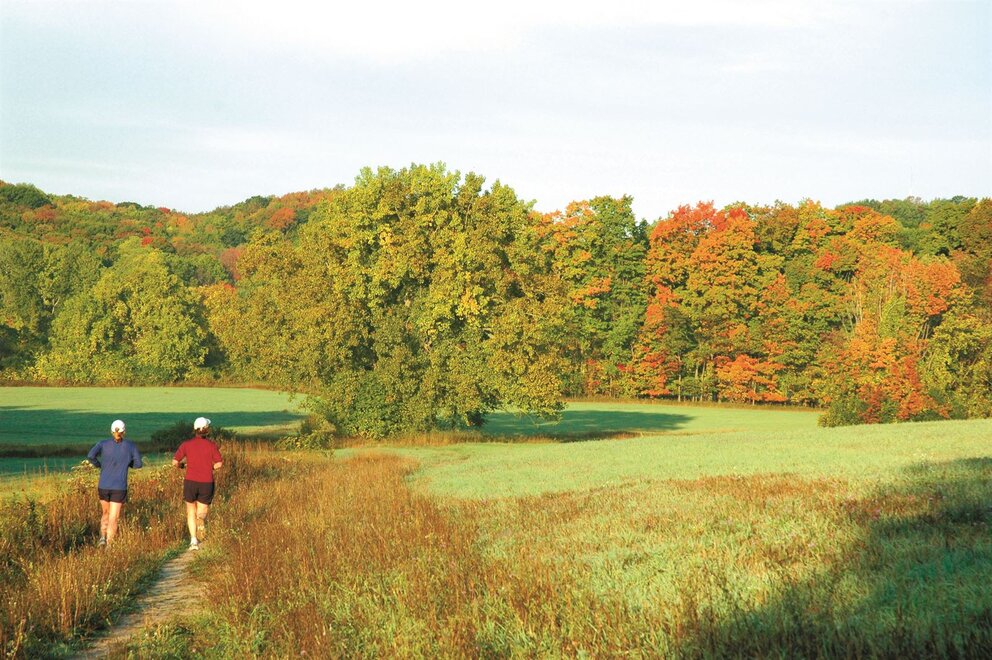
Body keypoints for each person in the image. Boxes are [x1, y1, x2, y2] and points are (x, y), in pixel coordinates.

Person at [86, 419, 143, 546]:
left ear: (111, 431)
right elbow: (138, 464)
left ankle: (102, 538)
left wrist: (99, 465)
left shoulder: (102, 444)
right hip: (119, 487)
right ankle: (110, 545)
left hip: (103, 486)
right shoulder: (130, 446)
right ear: (124, 431)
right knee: (114, 517)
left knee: (105, 513)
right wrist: (128, 463)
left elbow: (90, 456)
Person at [172, 417, 223, 550]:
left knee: (190, 511)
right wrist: (210, 468)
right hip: (206, 482)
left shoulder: (186, 444)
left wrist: (183, 466)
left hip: (190, 481)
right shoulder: (212, 445)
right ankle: (201, 519)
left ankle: (193, 540)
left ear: (194, 430)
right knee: (202, 510)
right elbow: (219, 464)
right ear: (207, 430)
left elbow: (175, 462)